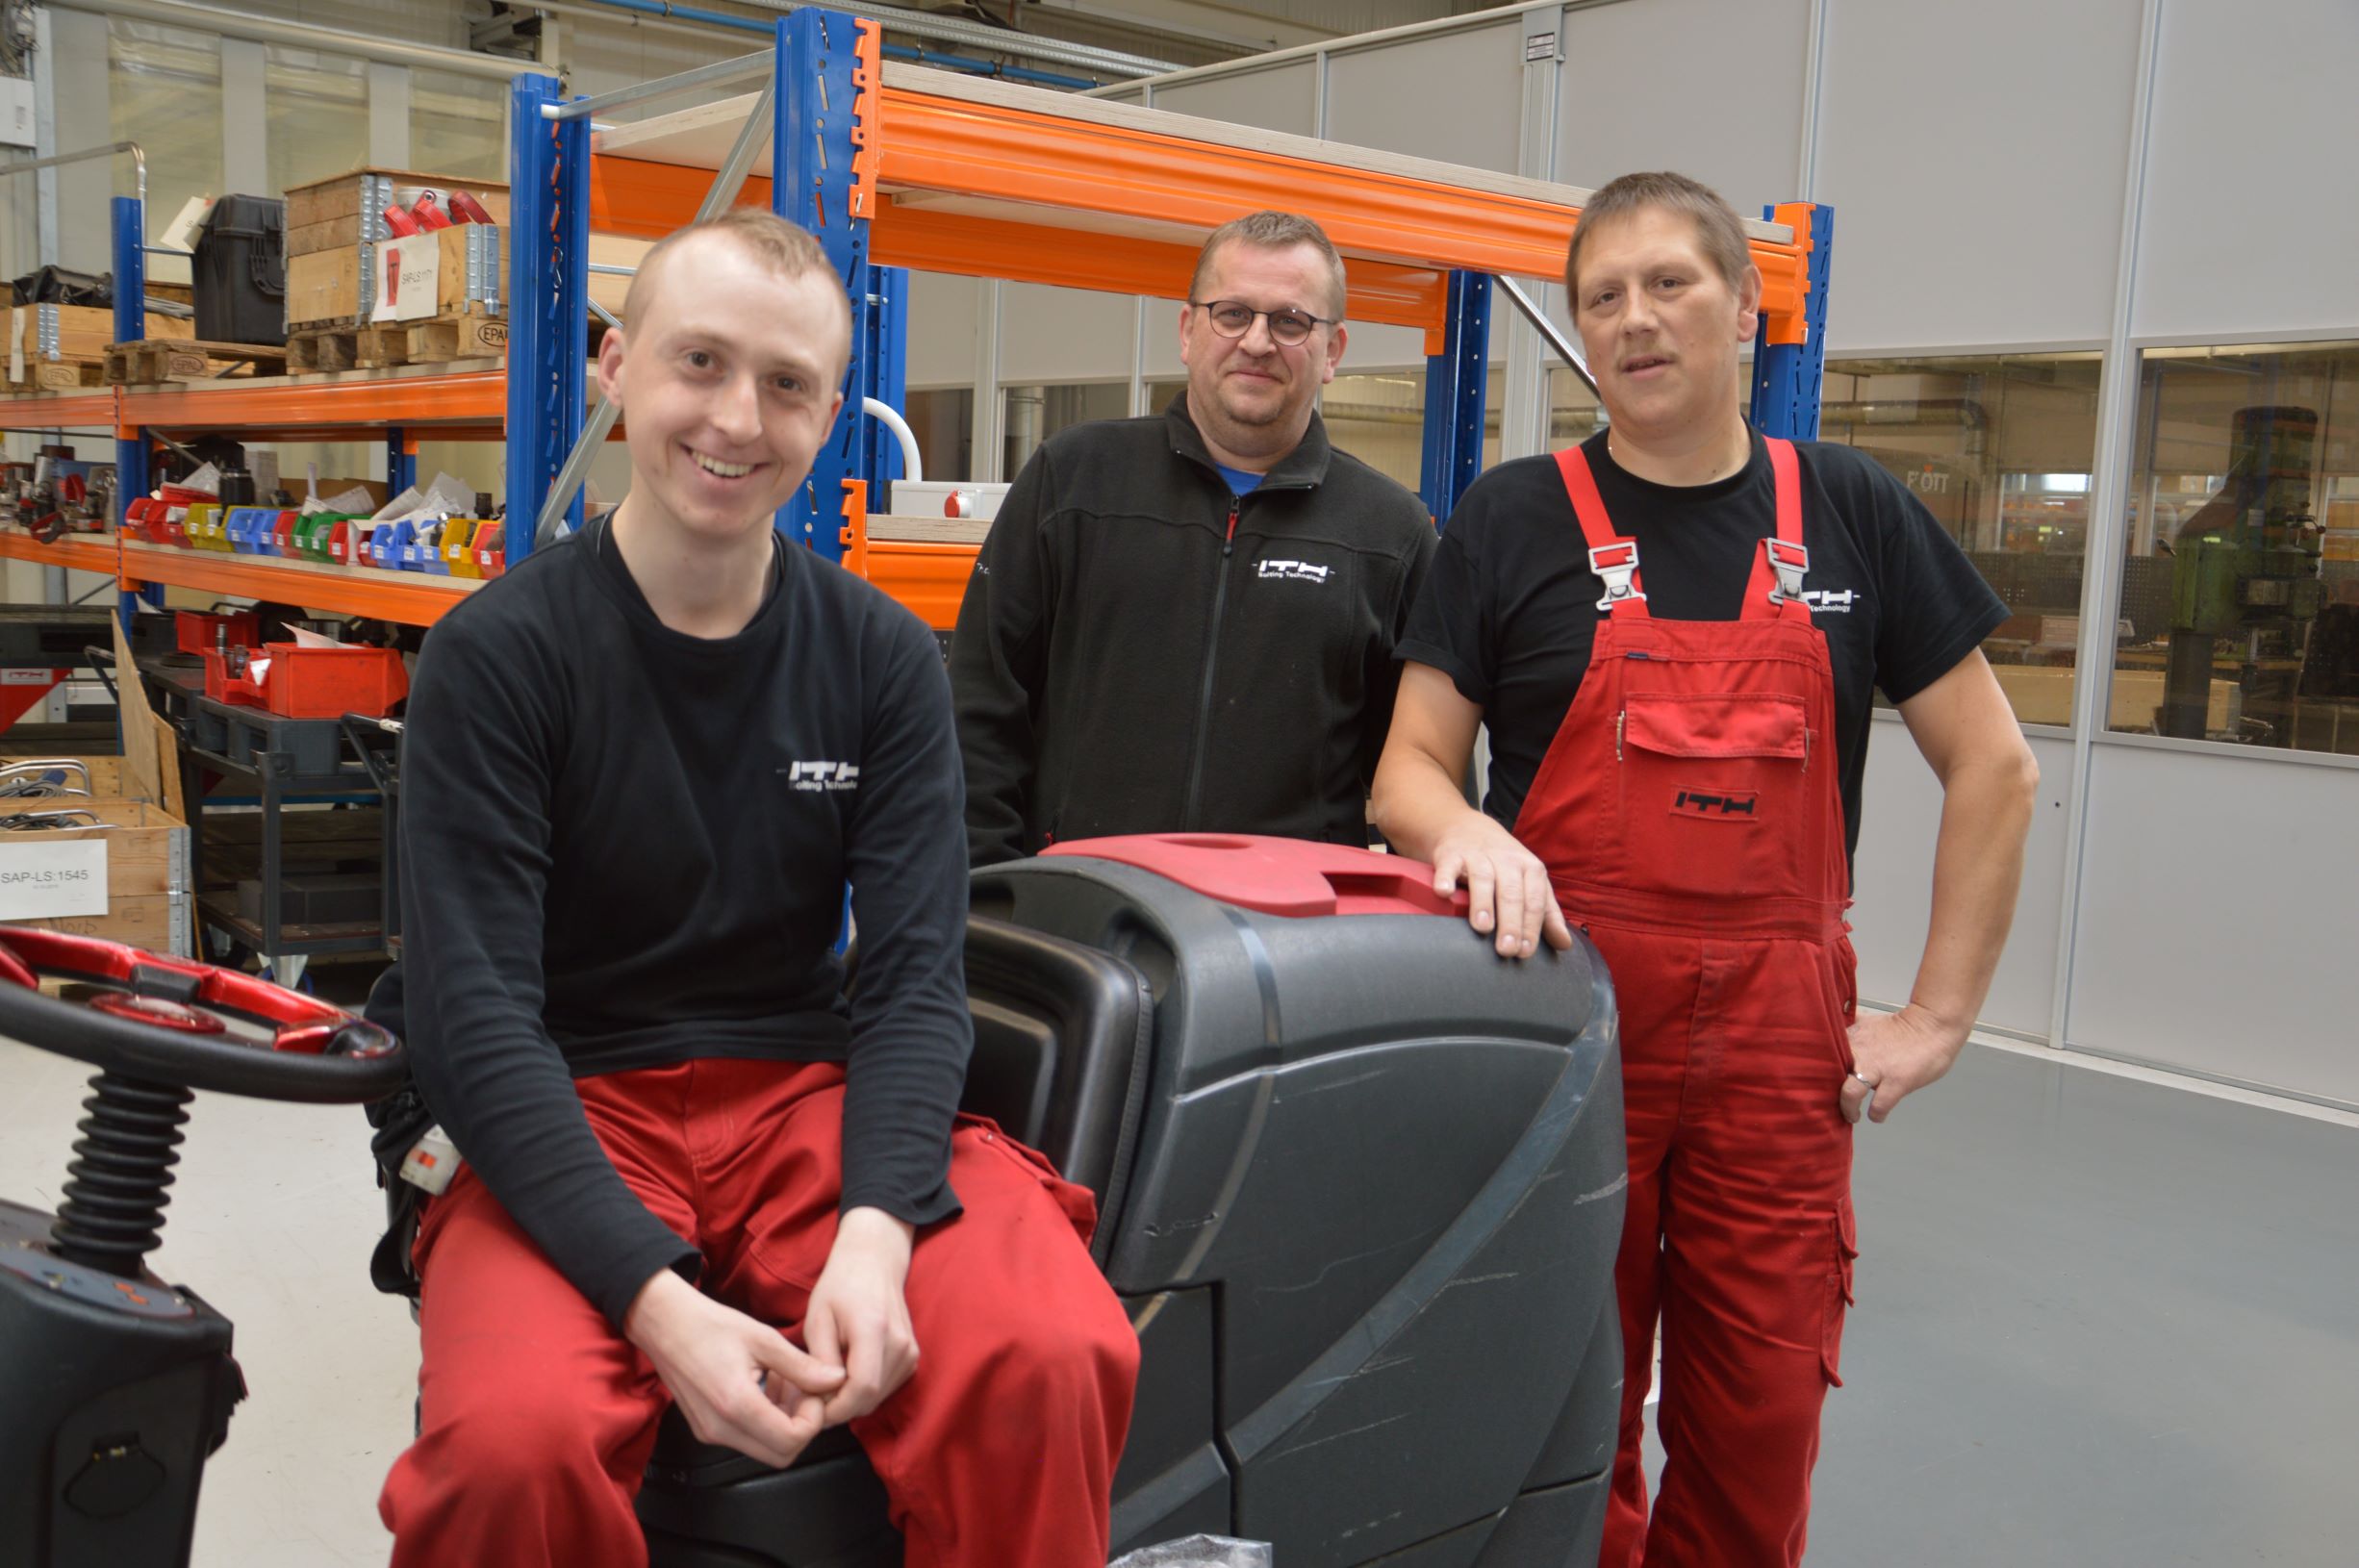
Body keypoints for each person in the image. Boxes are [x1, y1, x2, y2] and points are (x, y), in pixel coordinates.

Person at [373, 208, 1138, 1568]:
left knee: (1051, 1346)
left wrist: (878, 1231)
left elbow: (913, 981)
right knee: (512, 1447)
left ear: (833, 409)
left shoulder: (885, 660)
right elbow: (476, 1020)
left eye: (787, 383)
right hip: (564, 1101)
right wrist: (656, 1305)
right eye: (700, 363)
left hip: (802, 1095)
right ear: (617, 366)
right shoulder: (495, 660)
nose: (738, 417)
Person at [1369, 172, 2039, 1567]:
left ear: (1745, 306)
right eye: (1601, 296)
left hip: (1781, 1053)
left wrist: (1936, 1016)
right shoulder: (1508, 518)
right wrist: (1466, 828)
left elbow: (1996, 764)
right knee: (1564, 1396)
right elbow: (1406, 774)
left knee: (1763, 1402)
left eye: (1671, 283)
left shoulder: (1850, 509)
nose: (1636, 319)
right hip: (1563, 1020)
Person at [950, 210, 1435, 866]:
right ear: (1187, 330)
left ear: (1333, 352)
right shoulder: (1074, 482)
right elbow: (980, 715)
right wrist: (986, 904)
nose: (1257, 341)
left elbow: (1424, 771)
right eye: (1232, 313)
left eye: (1290, 321)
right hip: (1079, 915)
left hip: (1288, 941)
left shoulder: (1390, 533)